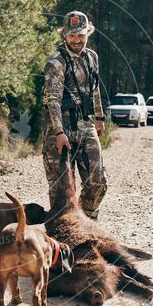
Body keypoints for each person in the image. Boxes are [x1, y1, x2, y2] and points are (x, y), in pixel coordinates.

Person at [41, 11, 107, 220]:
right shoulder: (56, 62)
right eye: (72, 35)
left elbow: (94, 88)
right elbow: (52, 99)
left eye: (81, 35)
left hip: (85, 123)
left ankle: (86, 221)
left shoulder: (91, 57)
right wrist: (59, 132)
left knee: (97, 180)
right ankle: (63, 231)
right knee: (61, 186)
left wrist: (99, 118)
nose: (77, 40)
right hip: (59, 127)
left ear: (87, 33)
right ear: (64, 35)